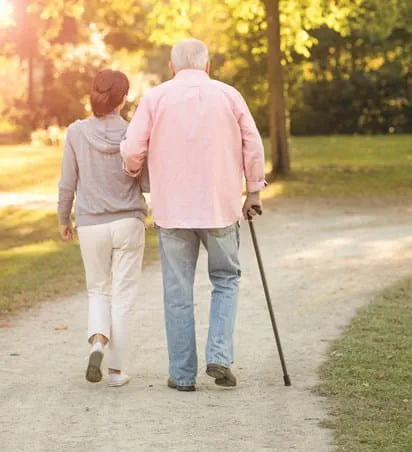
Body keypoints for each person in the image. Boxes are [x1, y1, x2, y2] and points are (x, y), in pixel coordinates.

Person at [121, 38, 266, 391]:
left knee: (177, 291)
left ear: (172, 68)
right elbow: (253, 143)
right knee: (226, 280)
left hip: (174, 211)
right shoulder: (229, 95)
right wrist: (254, 191)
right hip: (221, 206)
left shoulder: (155, 98)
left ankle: (183, 375)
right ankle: (218, 354)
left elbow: (132, 148)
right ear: (208, 66)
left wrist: (134, 169)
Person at [58, 70, 149, 387]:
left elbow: (68, 182)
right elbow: (146, 181)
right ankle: (116, 371)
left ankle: (98, 341)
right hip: (128, 222)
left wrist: (62, 218)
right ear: (123, 99)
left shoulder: (76, 132)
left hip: (91, 223)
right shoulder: (133, 133)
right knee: (122, 298)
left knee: (98, 289)